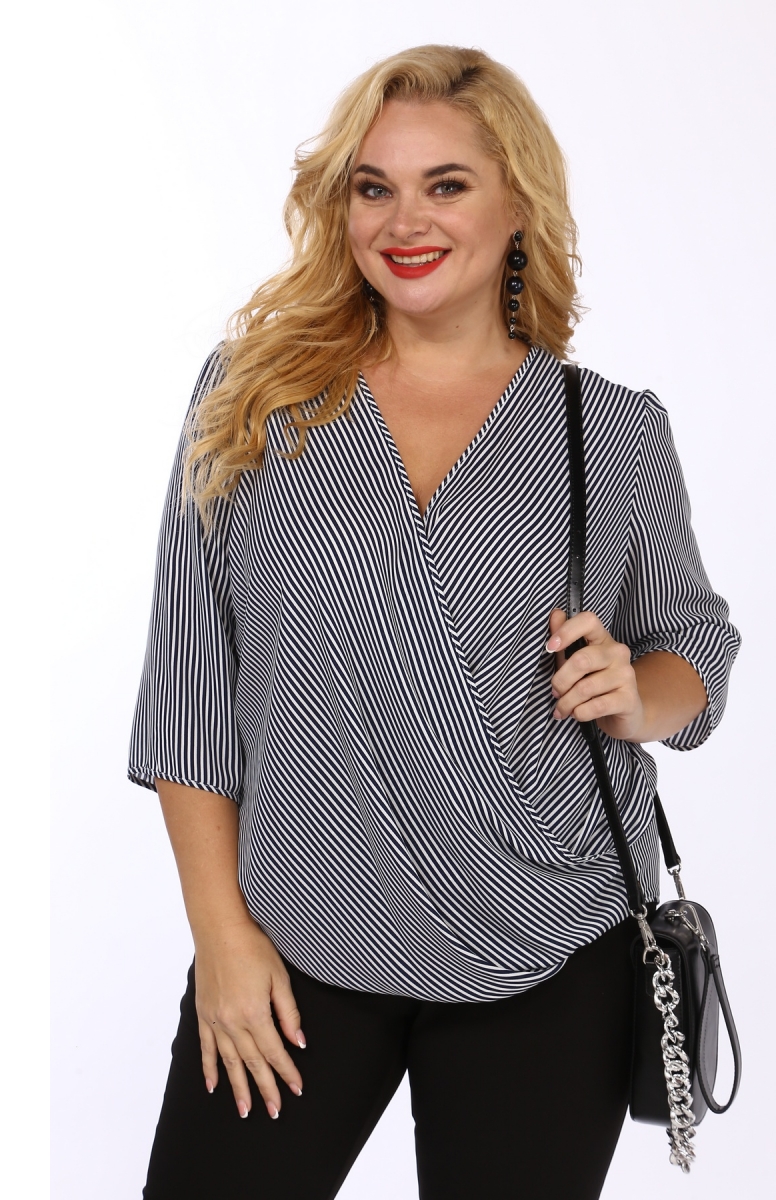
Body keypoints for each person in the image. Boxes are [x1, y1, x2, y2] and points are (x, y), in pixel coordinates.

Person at [128, 43, 740, 1200]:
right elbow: (189, 688)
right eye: (374, 187)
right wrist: (221, 938)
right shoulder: (255, 401)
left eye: (445, 184)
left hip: (550, 944)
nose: (404, 221)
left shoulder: (609, 432)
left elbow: (695, 647)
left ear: (517, 205)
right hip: (299, 939)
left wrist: (634, 690)